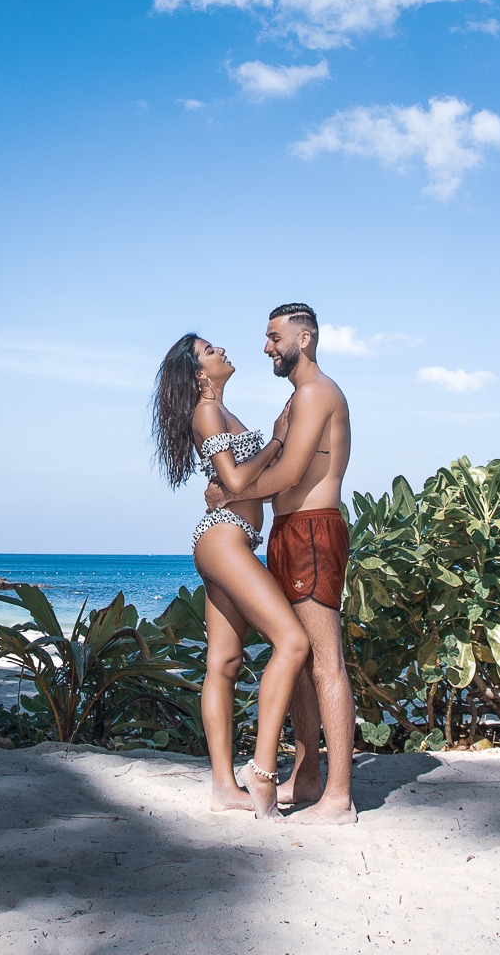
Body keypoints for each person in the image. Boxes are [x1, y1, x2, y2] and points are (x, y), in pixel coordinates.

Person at [203, 302, 358, 825]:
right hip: (288, 533)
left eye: (274, 337)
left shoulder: (318, 394)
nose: (267, 347)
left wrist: (230, 493)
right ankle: (308, 773)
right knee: (298, 666)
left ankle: (338, 796)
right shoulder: (293, 403)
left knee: (324, 660)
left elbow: (292, 474)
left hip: (314, 531)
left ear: (304, 339)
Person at [151, 331, 312, 818]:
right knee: (293, 641)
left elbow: (241, 482)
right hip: (224, 539)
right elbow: (240, 481)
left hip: (228, 537)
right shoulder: (207, 412)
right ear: (200, 374)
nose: (220, 349)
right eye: (208, 350)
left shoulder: (222, 411)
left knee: (224, 663)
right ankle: (260, 772)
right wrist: (280, 439)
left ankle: (223, 786)